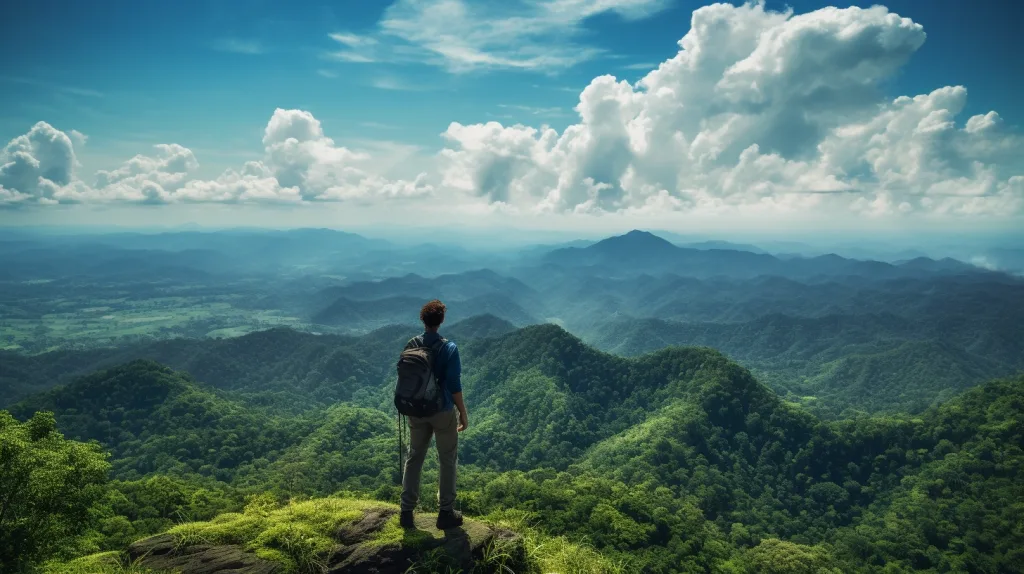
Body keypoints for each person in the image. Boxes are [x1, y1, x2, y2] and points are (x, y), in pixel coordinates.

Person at [400, 299, 469, 530]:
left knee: (414, 457)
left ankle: (406, 511)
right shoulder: (449, 348)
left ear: (423, 319)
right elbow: (454, 384)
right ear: (441, 320)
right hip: (442, 411)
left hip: (415, 410)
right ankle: (445, 512)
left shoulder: (412, 344)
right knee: (447, 459)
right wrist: (463, 412)